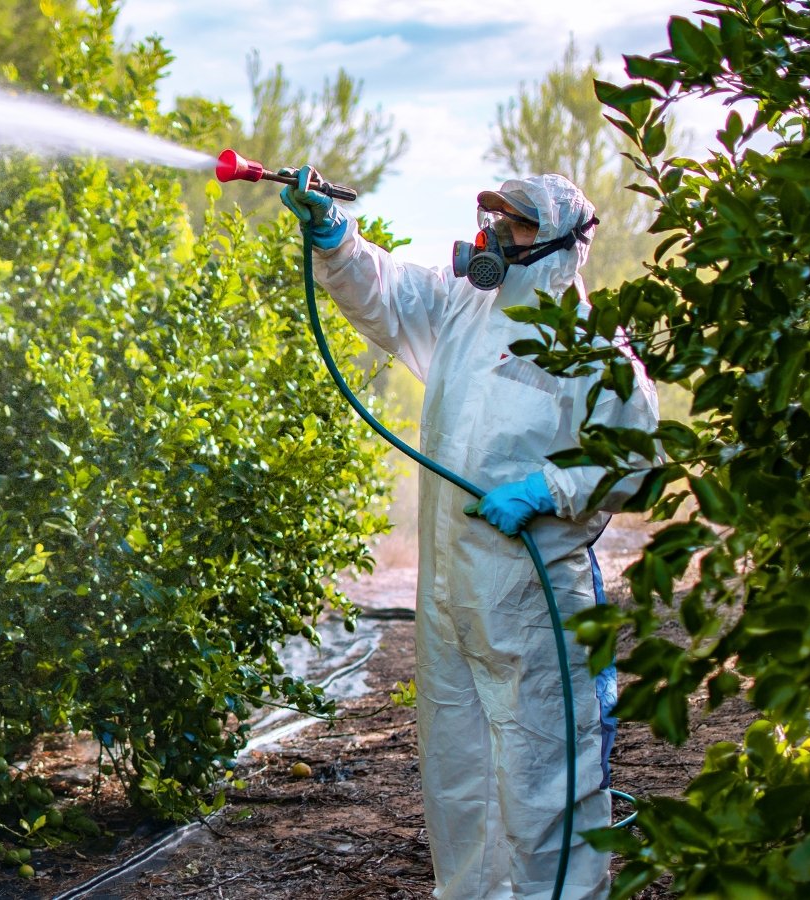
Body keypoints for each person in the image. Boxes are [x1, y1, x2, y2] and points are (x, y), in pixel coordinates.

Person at [281, 170, 659, 899]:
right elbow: (388, 291)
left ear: (555, 246)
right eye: (490, 219)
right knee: (460, 780)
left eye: (511, 227)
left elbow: (636, 462)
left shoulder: (591, 351)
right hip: (453, 597)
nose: (490, 237)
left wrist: (550, 489)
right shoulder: (463, 307)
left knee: (548, 779)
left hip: (534, 605)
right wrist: (334, 238)